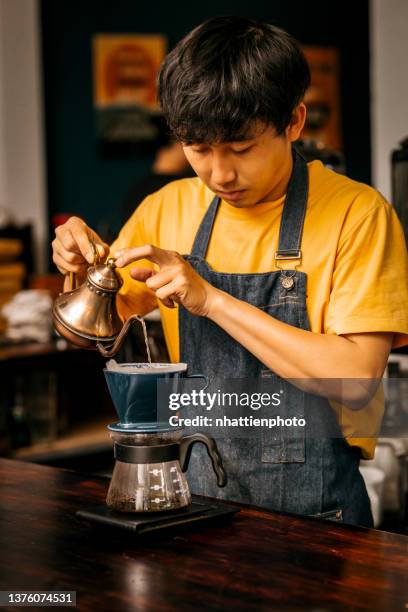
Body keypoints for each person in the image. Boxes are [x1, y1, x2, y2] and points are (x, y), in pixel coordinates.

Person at [52, 16, 408, 527]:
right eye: (198, 149)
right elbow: (94, 335)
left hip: (318, 520)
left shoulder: (359, 214)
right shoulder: (167, 207)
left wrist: (211, 299)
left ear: (294, 122)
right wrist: (79, 272)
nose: (219, 174)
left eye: (241, 148)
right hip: (195, 507)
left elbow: (356, 380)